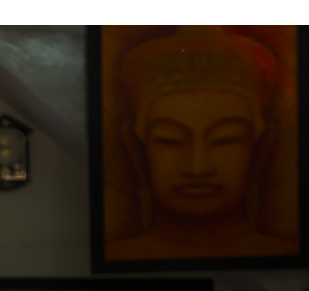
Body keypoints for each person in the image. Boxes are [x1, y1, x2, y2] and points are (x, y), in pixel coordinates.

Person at [106, 28, 292, 262]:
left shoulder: (279, 253)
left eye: (226, 139)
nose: (198, 167)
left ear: (261, 148)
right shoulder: (119, 256)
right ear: (137, 150)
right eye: (169, 140)